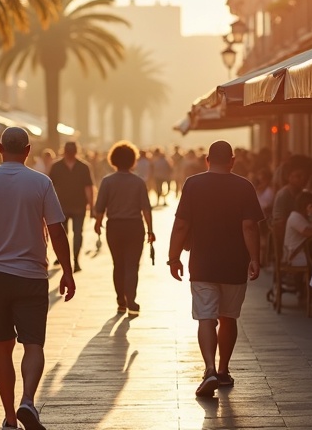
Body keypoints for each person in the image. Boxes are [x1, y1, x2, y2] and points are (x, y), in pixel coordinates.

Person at [0, 127, 76, 430]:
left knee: (2, 345)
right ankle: (27, 400)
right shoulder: (41, 182)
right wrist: (67, 270)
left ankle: (11, 417)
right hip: (32, 275)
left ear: (0, 148)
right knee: (33, 344)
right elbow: (57, 230)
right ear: (28, 150)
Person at [167, 140, 263, 398]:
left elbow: (181, 225)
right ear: (232, 160)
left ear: (207, 160)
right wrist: (255, 258)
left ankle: (208, 368)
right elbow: (250, 227)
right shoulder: (244, 186)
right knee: (228, 317)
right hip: (234, 263)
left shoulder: (193, 184)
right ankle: (223, 370)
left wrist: (173, 257)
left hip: (202, 263)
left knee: (206, 317)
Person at [93, 140, 154, 317]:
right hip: (135, 227)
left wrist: (97, 224)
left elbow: (100, 207)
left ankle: (121, 300)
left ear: (113, 160)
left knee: (118, 264)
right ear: (133, 160)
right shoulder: (138, 182)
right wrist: (150, 230)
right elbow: (146, 208)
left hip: (114, 227)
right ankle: (131, 300)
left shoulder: (107, 181)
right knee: (132, 265)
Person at [48, 141, 95, 272]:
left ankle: (75, 258)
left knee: (78, 233)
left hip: (79, 206)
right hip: (61, 206)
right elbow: (50, 187)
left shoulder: (83, 167)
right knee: (61, 235)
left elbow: (88, 188)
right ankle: (64, 258)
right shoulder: (56, 167)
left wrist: (91, 207)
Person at [284, 191, 312, 265]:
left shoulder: (307, 217)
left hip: (306, 254)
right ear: (309, 206)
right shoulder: (295, 217)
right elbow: (310, 233)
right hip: (297, 257)